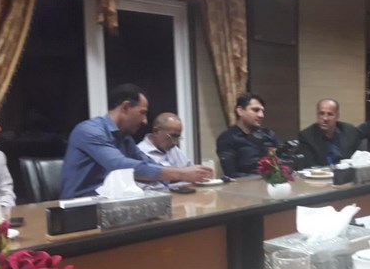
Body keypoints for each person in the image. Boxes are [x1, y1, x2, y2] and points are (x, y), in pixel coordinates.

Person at [60, 84, 213, 199]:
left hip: (109, 203)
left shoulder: (124, 138)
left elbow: (146, 162)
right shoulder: (90, 131)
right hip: (79, 207)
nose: (145, 121)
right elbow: (120, 166)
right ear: (126, 107)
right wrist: (180, 174)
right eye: (142, 113)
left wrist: (188, 176)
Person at [216, 92, 279, 177]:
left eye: (262, 111)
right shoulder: (227, 137)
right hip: (245, 183)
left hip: (273, 182)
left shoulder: (268, 134)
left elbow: (281, 163)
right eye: (255, 110)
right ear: (240, 111)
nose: (261, 115)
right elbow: (231, 173)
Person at [298, 99, 361, 167]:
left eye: (330, 114)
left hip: (348, 171)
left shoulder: (349, 131)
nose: (325, 118)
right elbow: (309, 165)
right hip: (322, 172)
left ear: (337, 116)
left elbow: (359, 157)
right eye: (321, 113)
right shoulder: (307, 136)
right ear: (317, 115)